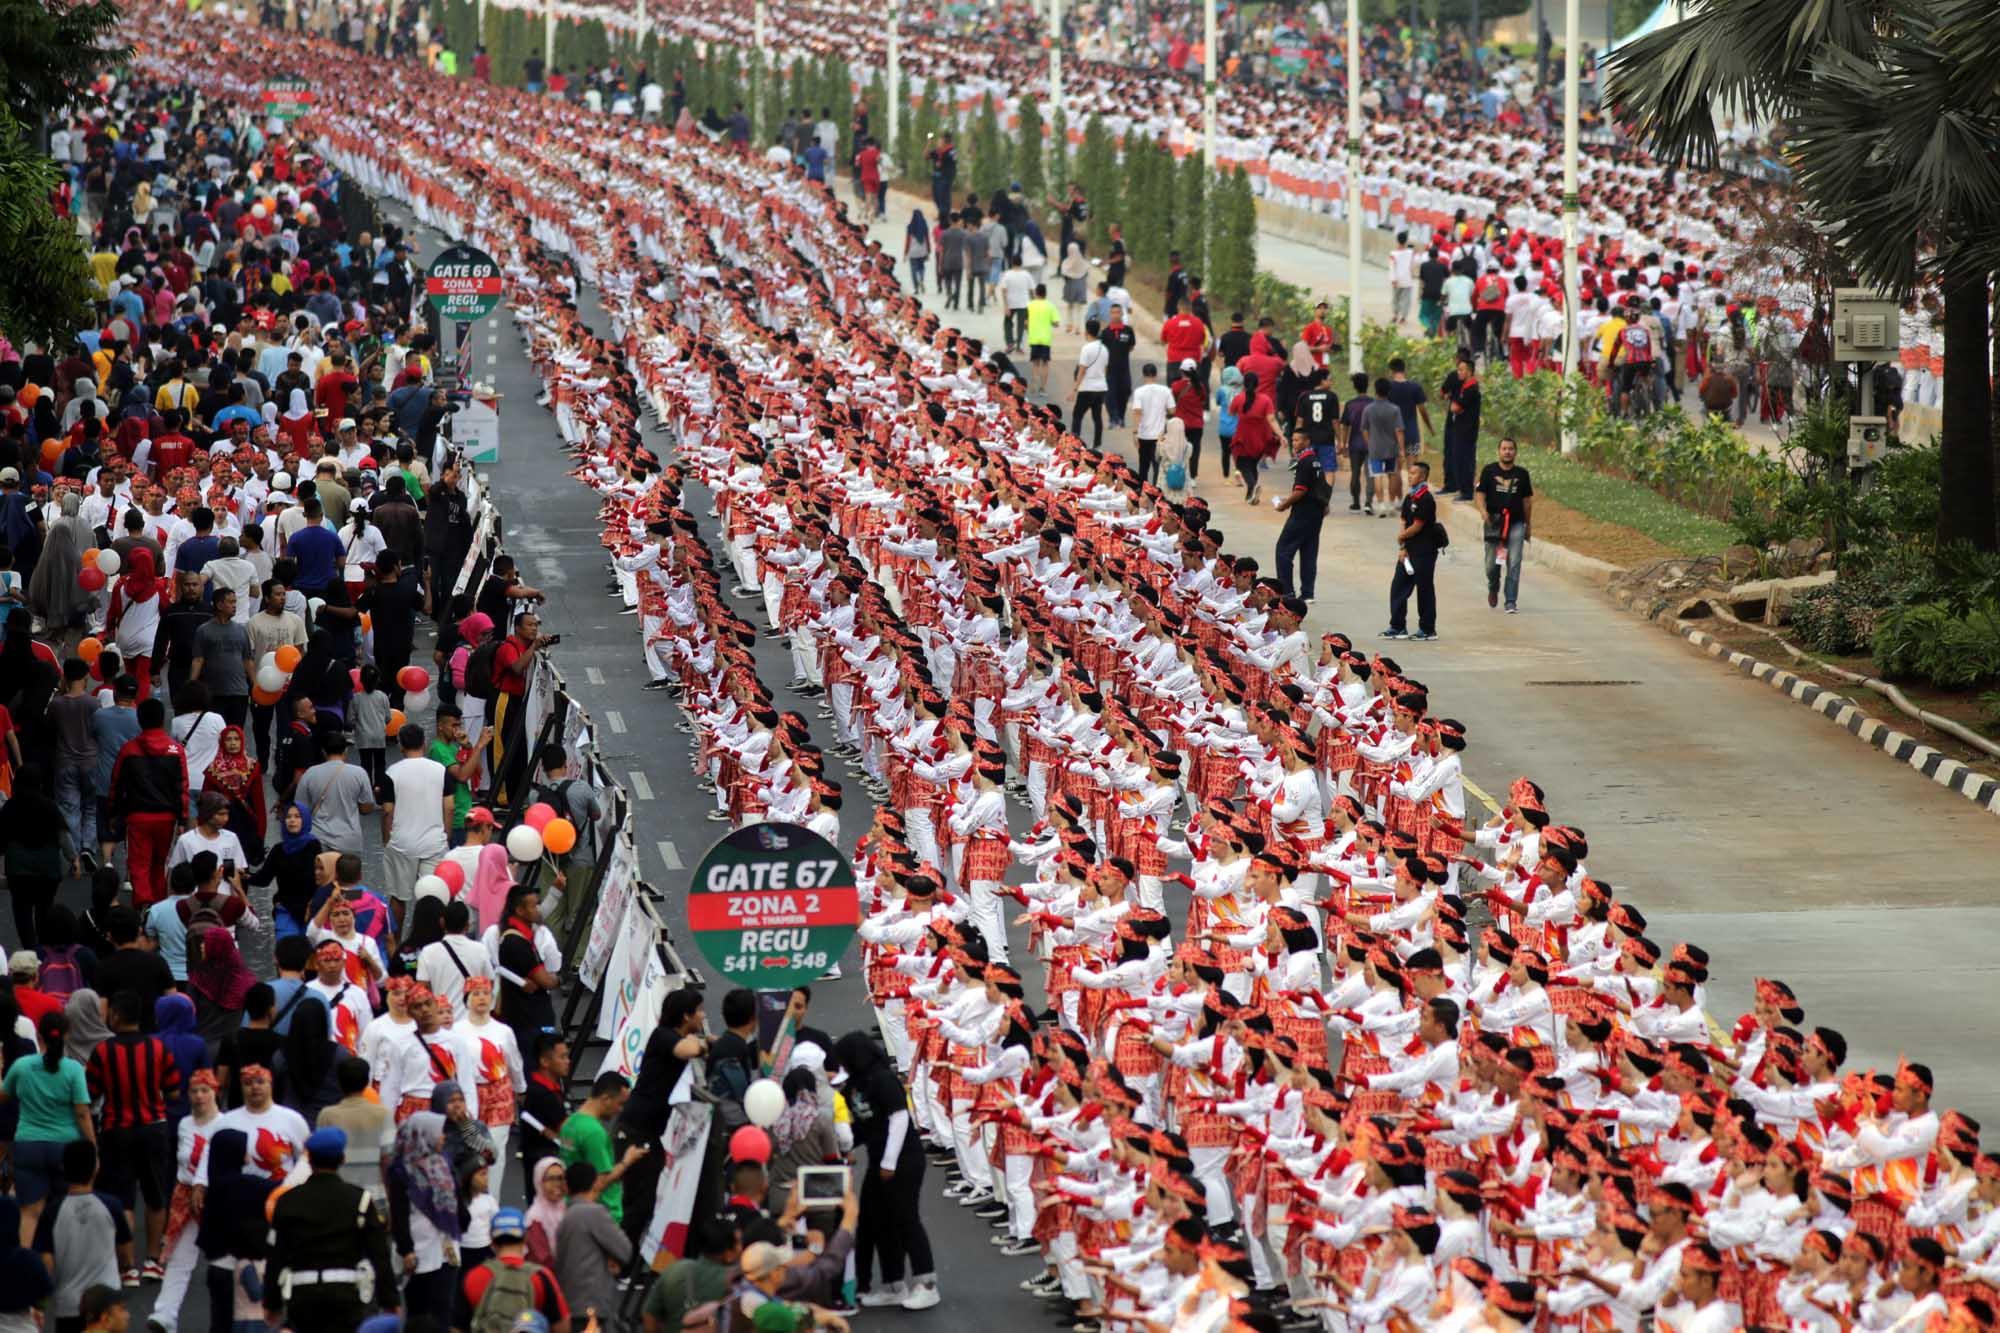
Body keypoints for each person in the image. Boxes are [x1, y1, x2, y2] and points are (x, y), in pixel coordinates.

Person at [834, 1031, 937, 1310]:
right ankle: (894, 1285)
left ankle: (927, 1284)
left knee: (906, 1219)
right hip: (879, 1161)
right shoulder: (855, 1085)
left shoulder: (883, 1079)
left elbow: (899, 1118)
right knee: (875, 1220)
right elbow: (862, 1126)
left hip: (903, 1161)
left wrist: (889, 1162)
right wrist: (842, 1148)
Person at [263, 1127, 401, 1332]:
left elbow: (276, 1256)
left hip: (302, 1296)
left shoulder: (287, 1201)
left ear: (309, 1160)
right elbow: (379, 1254)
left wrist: (272, 1302)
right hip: (345, 1295)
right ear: (342, 1159)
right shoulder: (359, 1200)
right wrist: (389, 1300)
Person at [86, 987, 182, 1280]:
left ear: (115, 1015)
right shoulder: (158, 1048)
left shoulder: (103, 1051)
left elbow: (91, 1092)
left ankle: (127, 1267)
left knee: (123, 1198)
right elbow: (174, 1090)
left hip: (116, 1130)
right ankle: (153, 1261)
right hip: (154, 1128)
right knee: (155, 1196)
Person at [0, 1011, 94, 1226]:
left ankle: (26, 1248)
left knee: (29, 1212)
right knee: (64, 1211)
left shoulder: (22, 1066)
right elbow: (82, 1113)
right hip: (65, 1147)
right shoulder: (74, 1069)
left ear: (39, 1036)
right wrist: (92, 1147)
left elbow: (3, 1097)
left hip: (27, 1145)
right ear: (66, 1035)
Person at [34, 1141, 131, 1331]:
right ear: (96, 1167)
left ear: (63, 1168)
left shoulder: (52, 1211)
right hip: (107, 1306)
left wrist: (41, 1302)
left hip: (68, 1305)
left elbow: (46, 1264)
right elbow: (126, 1253)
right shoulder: (111, 1206)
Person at [107, 697, 188, 909]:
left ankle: (143, 902)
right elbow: (182, 787)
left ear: (140, 720)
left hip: (138, 815)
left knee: (139, 863)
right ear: (162, 719)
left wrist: (113, 812)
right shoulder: (175, 750)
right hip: (167, 817)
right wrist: (182, 818)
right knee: (159, 863)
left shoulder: (129, 750)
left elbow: (117, 784)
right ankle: (159, 905)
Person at [387, 1111, 464, 1323]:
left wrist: (460, 1225)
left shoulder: (442, 1162)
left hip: (447, 1249)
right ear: (424, 1135)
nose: (443, 1137)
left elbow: (456, 1199)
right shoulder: (402, 1170)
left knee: (444, 1308)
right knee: (420, 1311)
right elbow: (399, 1214)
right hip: (419, 1250)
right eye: (438, 1133)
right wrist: (406, 1249)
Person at [380, 723, 449, 929]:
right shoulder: (440, 770)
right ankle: (429, 940)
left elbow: (387, 811)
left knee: (398, 897)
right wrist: (445, 834)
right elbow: (450, 806)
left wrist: (386, 839)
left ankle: (395, 941)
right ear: (424, 743)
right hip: (434, 843)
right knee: (433, 898)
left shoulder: (392, 773)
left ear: (401, 745)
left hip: (402, 843)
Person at [551, 1160, 636, 1325]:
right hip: (590, 1304)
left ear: (567, 1187)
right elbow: (625, 1250)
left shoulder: (565, 1215)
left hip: (568, 1302)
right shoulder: (594, 1213)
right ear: (595, 1183)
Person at [460, 1208, 571, 1333]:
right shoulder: (541, 1276)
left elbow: (457, 1328)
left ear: (491, 1239)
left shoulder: (472, 1277)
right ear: (525, 1238)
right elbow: (562, 1327)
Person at [558, 1071, 647, 1226]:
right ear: (606, 1099)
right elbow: (600, 1182)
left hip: (574, 1208)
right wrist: (627, 1161)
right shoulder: (594, 1133)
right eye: (620, 1103)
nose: (620, 1110)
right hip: (601, 1216)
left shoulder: (570, 1123)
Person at [641, 1212, 738, 1333]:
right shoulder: (736, 1281)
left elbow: (649, 1316)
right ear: (728, 1253)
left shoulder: (674, 1269)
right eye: (739, 1243)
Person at [1384, 459, 1443, 642]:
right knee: (1398, 586)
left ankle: (1427, 629)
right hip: (1408, 550)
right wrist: (1402, 545)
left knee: (1424, 589)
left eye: (1414, 473)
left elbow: (1417, 525)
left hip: (1424, 550)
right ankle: (1397, 626)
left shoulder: (1426, 498)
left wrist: (1402, 536)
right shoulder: (1410, 497)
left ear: (1423, 476)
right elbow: (1404, 520)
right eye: (1409, 473)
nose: (1410, 477)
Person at [1272, 430, 1334, 602]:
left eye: (1298, 440)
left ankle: (1286, 592)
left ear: (1307, 441)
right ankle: (1308, 593)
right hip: (1316, 513)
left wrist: (1284, 505)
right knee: (1309, 552)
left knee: (1283, 551)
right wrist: (1325, 504)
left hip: (1302, 513)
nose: (1294, 443)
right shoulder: (1316, 461)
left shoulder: (1304, 462)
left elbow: (1300, 490)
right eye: (1293, 440)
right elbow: (1321, 486)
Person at [1476, 436, 1535, 613]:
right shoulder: (1489, 471)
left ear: (1515, 452)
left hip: (1516, 523)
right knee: (1491, 564)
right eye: (1504, 449)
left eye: (1511, 449)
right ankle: (1493, 586)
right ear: (1499, 451)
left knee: (1514, 562)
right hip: (1494, 523)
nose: (1507, 452)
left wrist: (1528, 525)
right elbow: (1480, 494)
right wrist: (1483, 511)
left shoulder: (1522, 474)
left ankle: (1510, 601)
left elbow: (1527, 501)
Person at [317, 1056, 393, 1189]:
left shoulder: (327, 1115)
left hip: (339, 1191)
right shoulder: (383, 1114)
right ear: (366, 1081)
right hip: (372, 1191)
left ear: (339, 1081)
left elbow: (320, 1157)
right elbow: (388, 1158)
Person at [190, 587, 254, 726]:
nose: (234, 605)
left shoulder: (241, 630)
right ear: (219, 605)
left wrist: (255, 685)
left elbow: (247, 660)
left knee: (235, 733)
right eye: (230, 602)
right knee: (215, 732)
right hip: (214, 693)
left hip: (239, 693)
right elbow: (198, 659)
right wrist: (191, 685)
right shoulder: (204, 630)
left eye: (235, 602)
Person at [1439, 351, 1482, 501]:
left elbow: (1455, 407)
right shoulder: (1465, 386)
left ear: (1469, 371)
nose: (1458, 372)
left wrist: (1453, 402)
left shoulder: (1471, 388)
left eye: (1461, 370)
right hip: (1460, 428)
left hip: (1467, 430)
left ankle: (1466, 491)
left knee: (1465, 459)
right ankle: (1462, 489)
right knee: (1458, 457)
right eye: (1458, 369)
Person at [1129, 363, 1175, 486]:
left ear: (1144, 375)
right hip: (1160, 436)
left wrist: (1135, 432)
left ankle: (1142, 490)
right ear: (1156, 375)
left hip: (1143, 435)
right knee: (1157, 466)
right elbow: (1172, 410)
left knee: (1143, 466)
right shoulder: (1165, 391)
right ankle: (1156, 491)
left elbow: (1137, 412)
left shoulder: (1139, 392)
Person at [1070, 319, 1109, 449]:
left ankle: (1075, 444)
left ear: (1086, 331)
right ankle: (1097, 444)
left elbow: (1082, 370)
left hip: (1087, 387)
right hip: (1101, 387)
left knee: (1077, 415)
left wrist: (1074, 389)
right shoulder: (1104, 349)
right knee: (1097, 417)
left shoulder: (1086, 348)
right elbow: (1105, 370)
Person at [902, 209, 929, 294]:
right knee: (921, 267)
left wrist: (905, 253)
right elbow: (927, 240)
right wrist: (928, 251)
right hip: (922, 251)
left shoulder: (910, 227)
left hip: (912, 251)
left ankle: (916, 287)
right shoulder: (924, 226)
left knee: (913, 269)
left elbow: (908, 241)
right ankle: (921, 279)